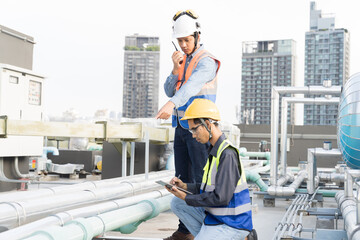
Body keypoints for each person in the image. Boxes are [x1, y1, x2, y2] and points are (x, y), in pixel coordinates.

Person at [155, 9, 220, 240]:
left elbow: (191, 86)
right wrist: (174, 69)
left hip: (201, 129)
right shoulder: (183, 60)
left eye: (187, 40)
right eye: (179, 41)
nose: (183, 44)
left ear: (197, 37)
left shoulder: (206, 62)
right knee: (181, 177)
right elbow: (170, 88)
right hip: (182, 128)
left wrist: (171, 104)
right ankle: (186, 230)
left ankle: (208, 228)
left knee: (202, 180)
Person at [164, 98, 253, 240]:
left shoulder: (227, 154)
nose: (193, 135)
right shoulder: (214, 151)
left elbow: (221, 198)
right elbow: (208, 188)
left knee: (183, 200)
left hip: (233, 223)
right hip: (216, 217)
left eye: (194, 129)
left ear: (207, 124)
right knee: (177, 203)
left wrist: (186, 196)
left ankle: (240, 237)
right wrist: (185, 186)